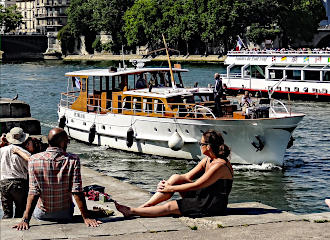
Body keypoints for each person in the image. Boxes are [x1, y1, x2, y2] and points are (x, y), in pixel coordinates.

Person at [115, 130, 233, 218]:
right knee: (177, 177)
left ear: (208, 147)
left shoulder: (220, 165)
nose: (199, 146)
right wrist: (167, 185)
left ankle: (132, 211)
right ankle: (146, 206)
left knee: (170, 206)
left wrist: (170, 188)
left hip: (212, 205)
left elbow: (197, 185)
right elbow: (187, 177)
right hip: (204, 196)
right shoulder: (207, 160)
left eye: (201, 143)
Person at [13, 128, 101, 230]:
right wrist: (86, 217)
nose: (67, 143)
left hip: (42, 214)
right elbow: (77, 191)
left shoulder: (33, 159)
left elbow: (33, 192)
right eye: (67, 141)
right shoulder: (73, 160)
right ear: (62, 142)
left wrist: (25, 219)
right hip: (65, 213)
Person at [0, 127, 32, 219]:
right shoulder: (25, 153)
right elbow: (30, 169)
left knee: (7, 213)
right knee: (20, 211)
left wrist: (1, 143)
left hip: (4, 183)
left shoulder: (2, 150)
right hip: (20, 184)